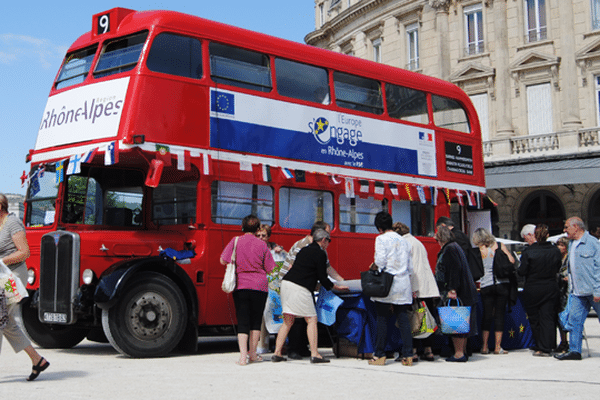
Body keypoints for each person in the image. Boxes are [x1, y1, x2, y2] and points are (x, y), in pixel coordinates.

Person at [272, 229, 347, 363]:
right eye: (328, 241)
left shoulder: (303, 250)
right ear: (323, 240)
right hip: (299, 288)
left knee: (288, 320)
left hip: (286, 284)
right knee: (311, 319)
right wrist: (335, 287)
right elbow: (323, 276)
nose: (328, 244)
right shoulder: (320, 253)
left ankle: (277, 353)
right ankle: (315, 354)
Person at [0, 193, 50, 381]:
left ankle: (38, 360)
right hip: (1, 276)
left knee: (0, 319)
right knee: (6, 321)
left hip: (13, 277)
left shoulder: (13, 223)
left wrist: (1, 260)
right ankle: (37, 360)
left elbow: (24, 252)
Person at [220, 215, 276, 365]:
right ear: (258, 229)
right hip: (260, 286)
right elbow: (271, 268)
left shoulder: (235, 241)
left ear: (242, 227)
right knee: (256, 321)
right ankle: (253, 354)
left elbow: (222, 260)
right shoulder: (263, 245)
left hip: (241, 286)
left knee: (243, 321)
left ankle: (243, 357)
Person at [367, 213, 413, 366]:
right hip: (403, 282)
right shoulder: (404, 240)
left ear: (379, 228)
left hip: (388, 282)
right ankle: (408, 355)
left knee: (382, 318)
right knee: (403, 319)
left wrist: (373, 266)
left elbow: (380, 261)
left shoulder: (380, 239)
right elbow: (410, 266)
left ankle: (379, 355)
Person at [555, 217, 600, 361]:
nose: (565, 230)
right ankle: (575, 351)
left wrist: (598, 290)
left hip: (593, 290)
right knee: (574, 320)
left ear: (576, 227)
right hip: (577, 292)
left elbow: (598, 268)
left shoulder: (593, 243)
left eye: (567, 227)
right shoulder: (572, 244)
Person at [394, 222, 439, 362]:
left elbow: (411, 269)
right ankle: (428, 350)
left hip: (416, 286)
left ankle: (413, 351)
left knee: (413, 318)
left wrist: (413, 289)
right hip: (428, 285)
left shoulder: (404, 243)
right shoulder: (417, 242)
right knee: (426, 319)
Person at [434, 225, 479, 362]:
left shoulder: (450, 249)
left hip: (459, 291)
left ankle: (459, 353)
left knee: (456, 322)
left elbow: (455, 269)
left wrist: (452, 289)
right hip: (466, 291)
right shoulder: (455, 247)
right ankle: (462, 351)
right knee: (462, 323)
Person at [518, 224, 561, 357]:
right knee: (548, 317)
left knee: (535, 318)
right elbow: (558, 266)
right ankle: (548, 345)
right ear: (548, 235)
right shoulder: (555, 250)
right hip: (550, 285)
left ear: (535, 236)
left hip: (533, 286)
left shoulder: (529, 252)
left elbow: (522, 271)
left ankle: (540, 345)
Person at [471, 228, 516, 355]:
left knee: (487, 315)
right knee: (499, 315)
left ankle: (484, 347)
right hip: (501, 284)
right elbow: (512, 261)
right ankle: (497, 347)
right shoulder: (499, 245)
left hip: (485, 285)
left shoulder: (478, 251)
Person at [255, 224, 287, 354]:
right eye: (258, 236)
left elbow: (288, 258)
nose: (261, 238)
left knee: (278, 314)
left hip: (274, 289)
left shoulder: (276, 249)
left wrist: (282, 251)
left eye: (263, 235)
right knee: (262, 317)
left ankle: (280, 345)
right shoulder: (254, 249)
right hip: (260, 287)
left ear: (268, 237)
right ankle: (262, 345)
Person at [435, 217, 483, 282]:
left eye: (438, 229)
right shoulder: (457, 234)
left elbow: (460, 256)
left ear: (443, 225)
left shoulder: (456, 236)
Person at [555, 236, 570, 353]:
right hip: (559, 290)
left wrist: (568, 278)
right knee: (560, 317)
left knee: (567, 317)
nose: (558, 247)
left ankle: (569, 342)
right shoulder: (557, 258)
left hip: (568, 291)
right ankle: (563, 341)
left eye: (561, 245)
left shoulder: (569, 258)